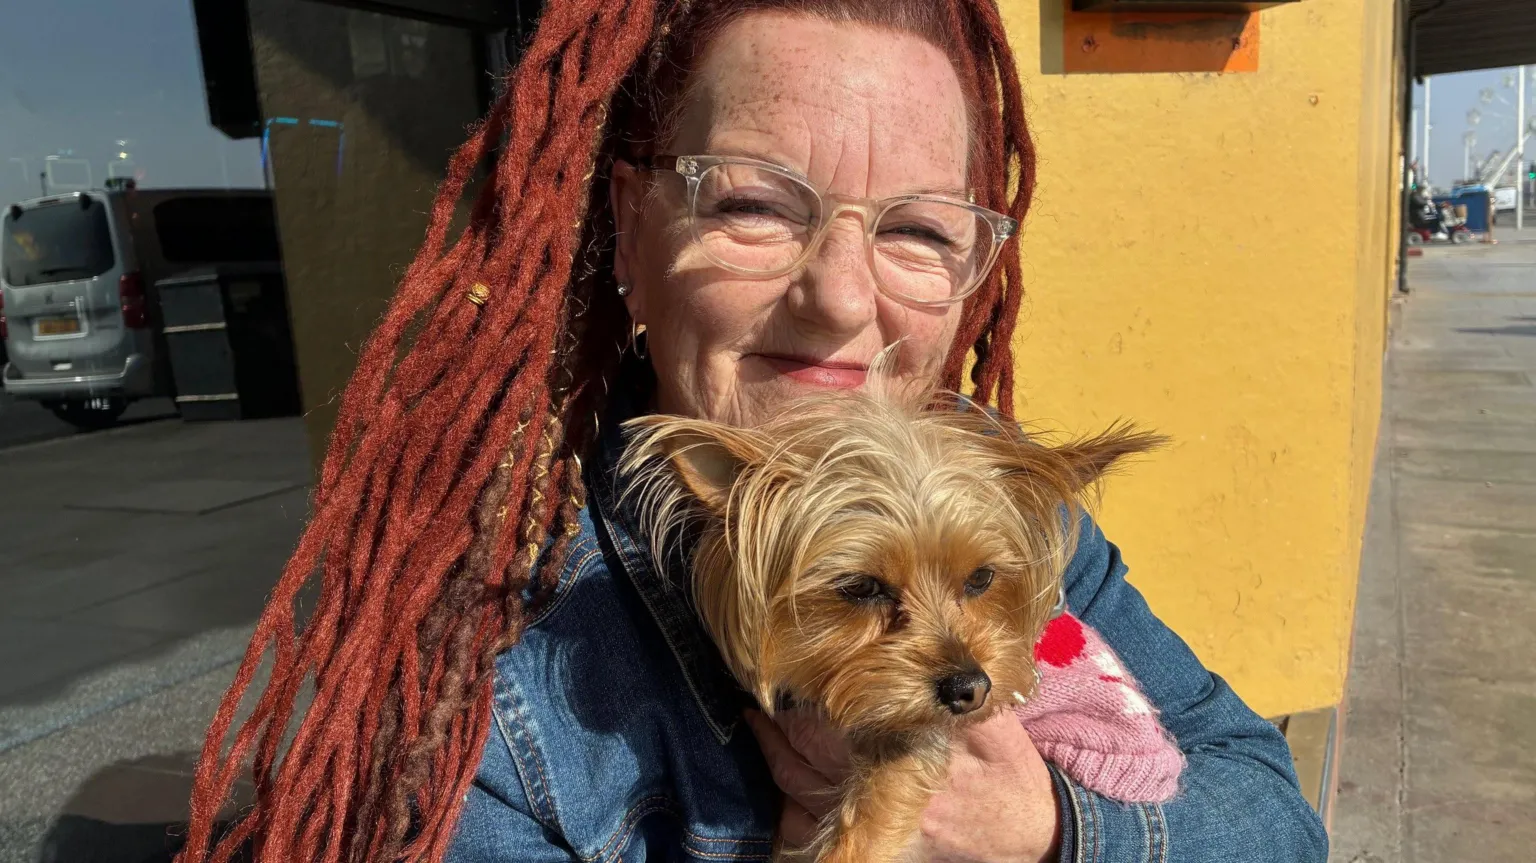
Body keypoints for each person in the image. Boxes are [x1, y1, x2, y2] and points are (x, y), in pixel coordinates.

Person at [179, 1, 1330, 861]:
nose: (838, 296)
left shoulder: (1007, 513)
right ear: (630, 230)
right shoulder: (490, 674)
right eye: (754, 204)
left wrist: (1045, 826)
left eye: (919, 229)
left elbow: (1276, 817)